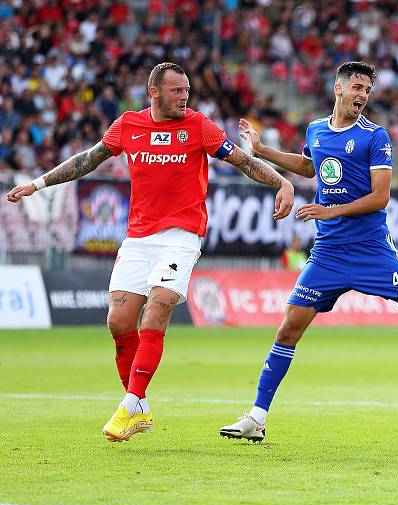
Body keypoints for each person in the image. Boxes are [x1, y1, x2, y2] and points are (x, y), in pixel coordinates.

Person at [5, 62, 295, 442]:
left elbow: (242, 161)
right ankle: (139, 408)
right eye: (177, 91)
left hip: (181, 236)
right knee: (119, 322)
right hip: (138, 238)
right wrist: (38, 184)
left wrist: (280, 182)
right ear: (154, 92)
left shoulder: (200, 126)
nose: (184, 97)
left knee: (157, 308)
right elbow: (86, 160)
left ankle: (129, 404)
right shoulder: (127, 124)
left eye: (187, 90)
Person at [219, 61, 398, 443]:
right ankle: (257, 416)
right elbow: (310, 166)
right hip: (328, 252)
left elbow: (380, 197)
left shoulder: (376, 136)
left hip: (372, 249)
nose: (362, 95)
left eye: (367, 90)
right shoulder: (317, 129)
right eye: (357, 87)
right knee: (289, 326)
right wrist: (260, 149)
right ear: (338, 88)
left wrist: (329, 210)